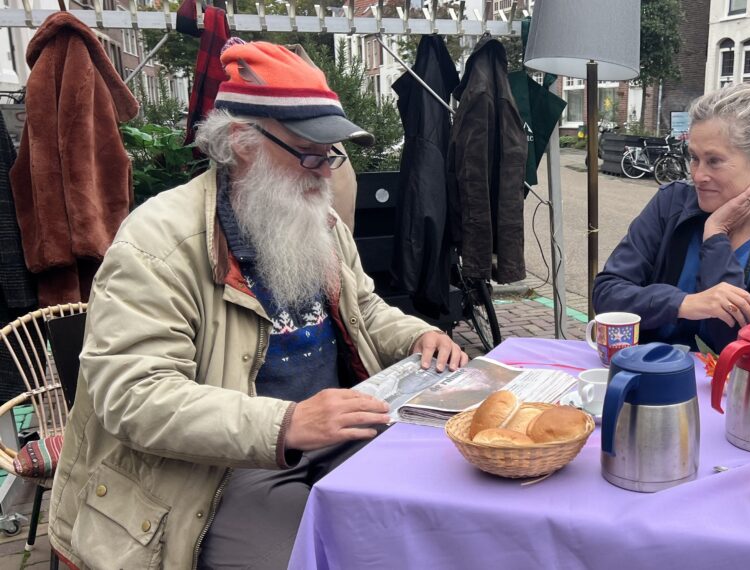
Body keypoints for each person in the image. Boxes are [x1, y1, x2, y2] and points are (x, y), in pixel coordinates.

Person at [48, 40, 468, 569]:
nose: (326, 174)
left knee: (437, 514)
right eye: (311, 154)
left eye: (333, 155)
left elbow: (365, 307)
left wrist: (415, 336)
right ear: (243, 142)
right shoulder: (156, 245)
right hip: (216, 473)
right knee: (310, 558)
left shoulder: (317, 221)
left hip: (335, 437)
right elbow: (135, 397)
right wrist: (286, 424)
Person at [592, 83, 750, 354]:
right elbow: (607, 293)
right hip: (652, 375)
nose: (698, 175)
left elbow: (745, 341)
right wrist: (685, 304)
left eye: (714, 161)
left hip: (728, 390)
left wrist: (716, 233)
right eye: (694, 158)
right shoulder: (672, 204)